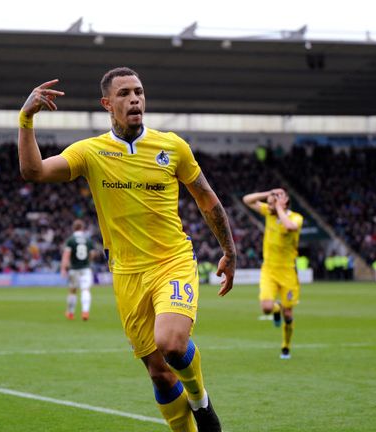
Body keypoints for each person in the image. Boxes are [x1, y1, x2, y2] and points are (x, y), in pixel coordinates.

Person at [18, 67, 236, 432]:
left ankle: (201, 402)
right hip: (127, 274)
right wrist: (26, 119)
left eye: (139, 91)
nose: (135, 98)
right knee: (160, 375)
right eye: (124, 94)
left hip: (172, 261)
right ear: (107, 104)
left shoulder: (172, 146)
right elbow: (34, 172)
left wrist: (228, 250)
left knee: (170, 343)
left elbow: (206, 198)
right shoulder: (91, 152)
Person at [242, 188, 303, 360]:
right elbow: (247, 199)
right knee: (267, 308)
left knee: (289, 314)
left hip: (288, 272)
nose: (273, 201)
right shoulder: (269, 212)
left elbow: (290, 227)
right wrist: (267, 193)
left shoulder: (295, 217)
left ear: (286, 200)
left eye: (279, 197)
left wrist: (279, 209)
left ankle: (286, 346)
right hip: (269, 269)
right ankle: (276, 310)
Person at [60, 219, 97, 321]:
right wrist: (88, 261)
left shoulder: (70, 240)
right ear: (82, 228)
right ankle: (85, 312)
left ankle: (70, 313)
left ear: (73, 228)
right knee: (85, 289)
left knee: (73, 291)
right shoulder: (88, 240)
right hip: (86, 269)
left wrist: (63, 268)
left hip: (74, 269)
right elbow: (92, 254)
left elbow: (66, 255)